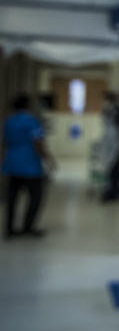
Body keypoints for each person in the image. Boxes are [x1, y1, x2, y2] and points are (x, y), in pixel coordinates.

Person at [2, 94, 55, 238]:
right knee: (36, 197)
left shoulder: (9, 121)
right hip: (30, 165)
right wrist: (49, 159)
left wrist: (4, 160)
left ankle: (10, 228)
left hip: (12, 164)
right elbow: (38, 142)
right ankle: (28, 226)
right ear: (28, 105)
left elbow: (5, 143)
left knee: (12, 198)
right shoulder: (32, 121)